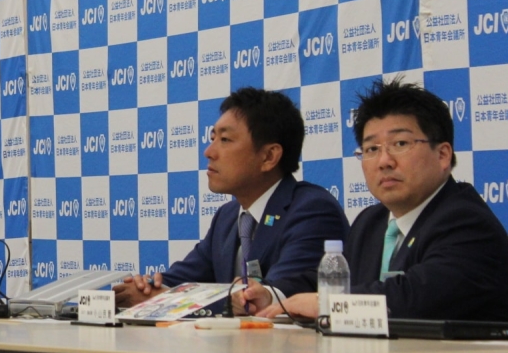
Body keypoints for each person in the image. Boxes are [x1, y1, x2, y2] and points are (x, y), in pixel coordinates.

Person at [252, 78, 508, 321]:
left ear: (443, 155)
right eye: (371, 149)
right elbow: (335, 281)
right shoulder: (371, 221)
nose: (384, 161)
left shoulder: (467, 223)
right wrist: (273, 295)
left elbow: (415, 297)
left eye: (400, 144)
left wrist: (327, 304)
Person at [114, 87, 348, 309]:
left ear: (269, 156)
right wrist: (145, 289)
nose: (209, 152)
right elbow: (180, 281)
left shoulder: (312, 211)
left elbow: (270, 296)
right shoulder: (226, 217)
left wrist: (166, 300)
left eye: (225, 140)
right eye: (212, 138)